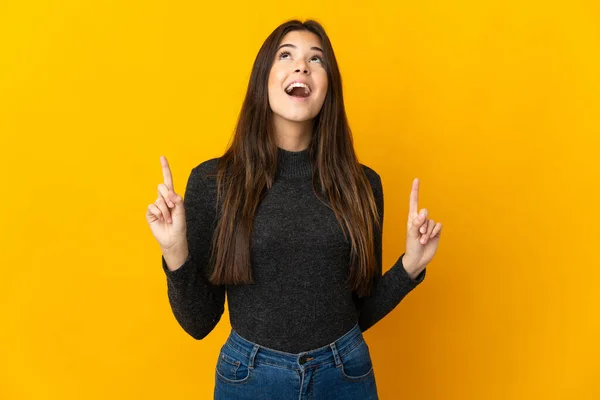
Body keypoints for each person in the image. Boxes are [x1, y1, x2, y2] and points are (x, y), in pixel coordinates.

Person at [146, 19, 442, 400]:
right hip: (250, 380)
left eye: (316, 59)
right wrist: (175, 251)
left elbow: (357, 312)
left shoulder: (362, 186)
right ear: (263, 79)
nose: (302, 66)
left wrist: (410, 267)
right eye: (286, 55)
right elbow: (199, 323)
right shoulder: (213, 182)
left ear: (327, 88)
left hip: (345, 374)